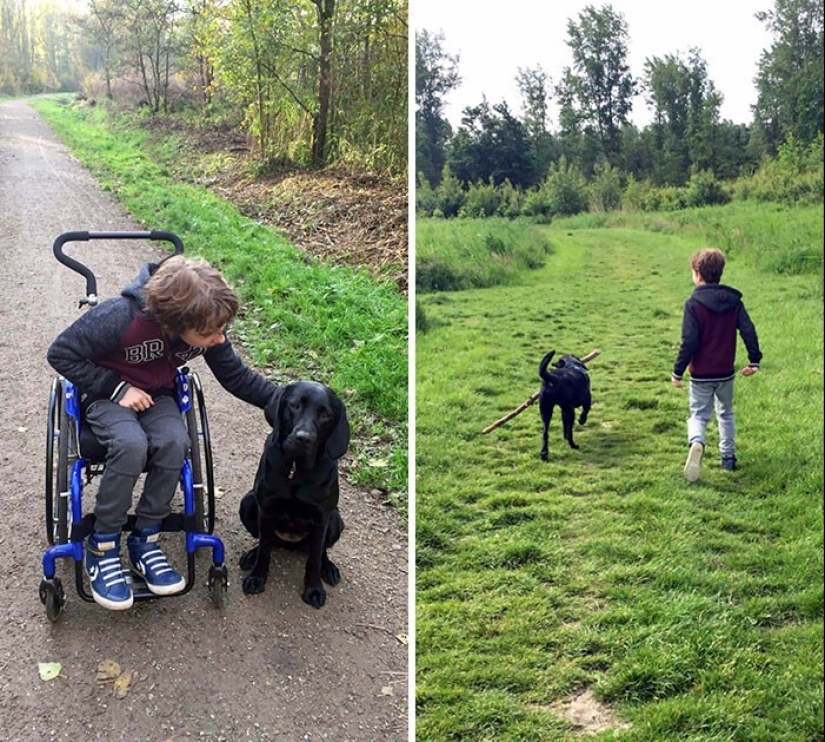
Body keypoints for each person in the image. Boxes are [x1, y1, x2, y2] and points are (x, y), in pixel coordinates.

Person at [48, 255, 278, 610]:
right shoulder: (119, 318)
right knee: (130, 444)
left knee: (175, 442)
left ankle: (145, 537)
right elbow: (60, 353)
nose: (218, 339)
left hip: (158, 397)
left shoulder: (206, 324)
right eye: (209, 333)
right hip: (107, 396)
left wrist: (289, 405)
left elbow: (236, 377)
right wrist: (116, 387)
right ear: (173, 322)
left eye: (221, 330)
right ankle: (103, 543)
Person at [672, 248, 762, 482]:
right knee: (726, 413)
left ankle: (697, 442)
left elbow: (689, 341)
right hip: (725, 372)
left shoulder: (693, 303)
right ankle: (728, 458)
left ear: (697, 274)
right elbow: (748, 330)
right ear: (720, 272)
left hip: (701, 373)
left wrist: (677, 371)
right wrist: (754, 360)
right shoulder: (734, 301)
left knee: (699, 415)